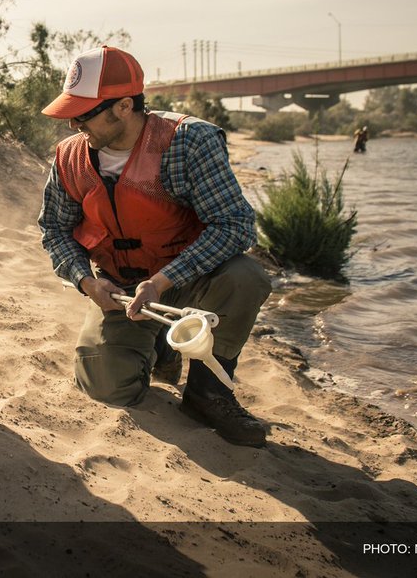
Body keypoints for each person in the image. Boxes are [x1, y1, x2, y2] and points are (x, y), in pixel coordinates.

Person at [37, 46, 272, 447]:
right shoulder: (69, 158)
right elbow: (55, 231)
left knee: (247, 277)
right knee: (106, 388)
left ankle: (209, 393)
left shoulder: (189, 142)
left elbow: (235, 226)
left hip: (187, 281)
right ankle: (162, 351)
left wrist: (162, 282)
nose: (75, 123)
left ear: (124, 106)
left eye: (85, 112)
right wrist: (87, 283)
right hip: (122, 291)